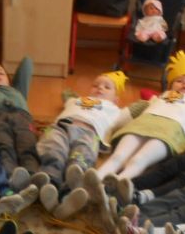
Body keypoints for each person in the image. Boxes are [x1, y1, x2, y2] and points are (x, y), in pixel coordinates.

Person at [96, 50, 185, 181]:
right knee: (118, 156)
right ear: (170, 87)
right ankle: (95, 179)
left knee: (139, 160)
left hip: (169, 132)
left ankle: (117, 184)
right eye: (179, 80)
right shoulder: (158, 98)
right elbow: (144, 93)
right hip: (142, 125)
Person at [35, 71, 135, 218]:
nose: (100, 88)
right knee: (53, 150)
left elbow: (139, 108)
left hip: (89, 133)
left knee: (81, 157)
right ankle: (49, 183)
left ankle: (70, 192)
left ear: (116, 99)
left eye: (107, 87)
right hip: (61, 127)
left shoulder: (116, 110)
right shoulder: (75, 100)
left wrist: (156, 100)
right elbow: (67, 93)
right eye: (95, 85)